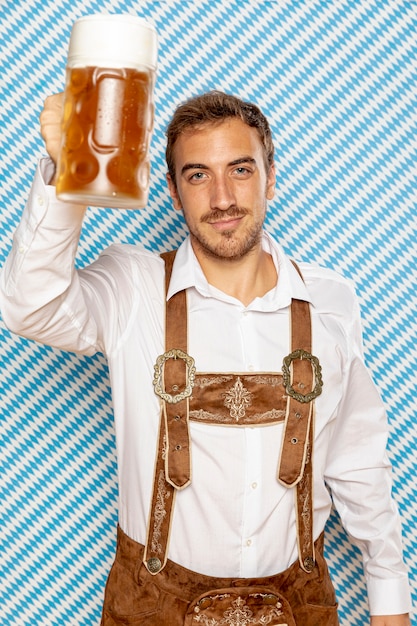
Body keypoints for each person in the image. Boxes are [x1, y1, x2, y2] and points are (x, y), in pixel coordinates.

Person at [0, 90, 412, 626]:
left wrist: (390, 601)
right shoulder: (134, 286)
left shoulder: (330, 300)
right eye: (197, 175)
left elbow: (357, 460)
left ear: (270, 175)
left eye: (240, 169)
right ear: (172, 191)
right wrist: (66, 171)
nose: (221, 197)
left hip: (299, 606)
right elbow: (29, 307)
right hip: (151, 609)